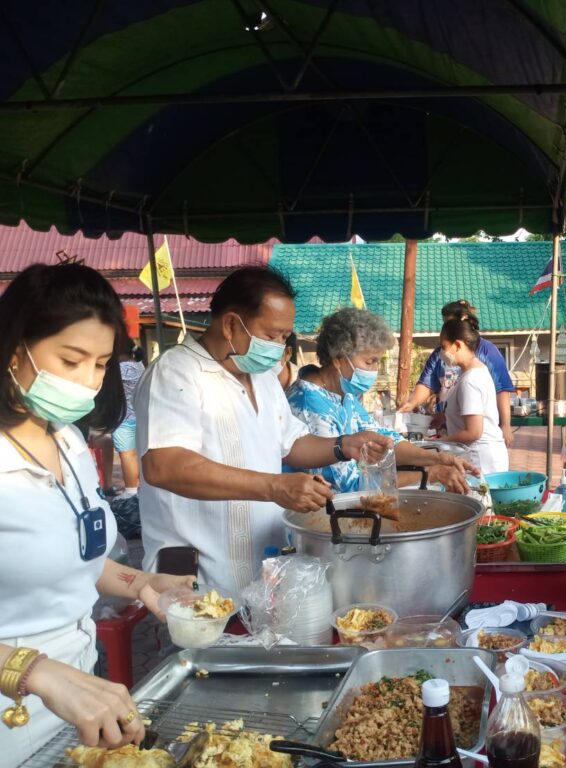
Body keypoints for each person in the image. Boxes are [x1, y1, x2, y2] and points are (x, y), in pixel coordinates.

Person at [0, 263, 195, 764]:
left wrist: (142, 583)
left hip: (79, 696)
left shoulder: (67, 441)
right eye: (71, 360)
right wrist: (35, 670)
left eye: (101, 364)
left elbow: (75, 558)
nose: (87, 382)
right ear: (16, 349)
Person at [136, 266, 392, 593]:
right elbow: (164, 466)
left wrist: (343, 445)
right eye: (271, 336)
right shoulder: (176, 373)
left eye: (285, 337)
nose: (278, 347)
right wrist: (273, 486)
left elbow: (292, 443)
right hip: (198, 576)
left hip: (261, 573)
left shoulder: (263, 378)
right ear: (231, 324)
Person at [285, 308, 475, 492]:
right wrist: (430, 474)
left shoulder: (345, 395)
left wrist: (437, 459)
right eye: (370, 362)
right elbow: (349, 485)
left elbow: (384, 440)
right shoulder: (309, 404)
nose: (374, 370)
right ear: (339, 359)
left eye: (378, 362)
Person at [399, 300, 516, 447]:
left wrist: (505, 424)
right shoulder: (448, 359)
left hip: (476, 443)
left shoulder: (479, 364)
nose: (445, 328)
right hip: (455, 433)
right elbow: (427, 384)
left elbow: (501, 390)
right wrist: (412, 403)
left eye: (449, 324)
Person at [437, 313, 510, 475]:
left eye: (443, 346)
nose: (441, 352)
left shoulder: (470, 380)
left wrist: (440, 441)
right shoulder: (473, 371)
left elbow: (473, 432)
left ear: (457, 345)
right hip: (485, 456)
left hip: (482, 459)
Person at [112, 339, 145, 496]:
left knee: (127, 456)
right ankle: (143, 488)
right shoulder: (139, 365)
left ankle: (131, 492)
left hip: (124, 418)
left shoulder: (120, 369)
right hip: (140, 415)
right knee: (140, 454)